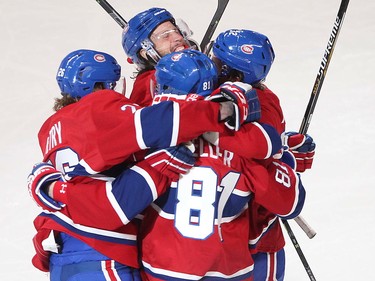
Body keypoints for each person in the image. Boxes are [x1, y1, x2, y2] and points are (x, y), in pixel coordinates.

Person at [28, 48, 251, 280]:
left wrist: (48, 186)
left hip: (61, 250)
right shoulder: (101, 106)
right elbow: (155, 124)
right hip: (104, 249)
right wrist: (221, 109)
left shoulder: (50, 128)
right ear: (100, 87)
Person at [139, 49, 305, 280]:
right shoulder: (242, 149)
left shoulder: (144, 136)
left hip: (162, 268)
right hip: (228, 268)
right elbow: (290, 202)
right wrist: (285, 158)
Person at [210, 28, 316, 281]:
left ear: (230, 71)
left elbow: (260, 153)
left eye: (216, 60)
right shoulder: (245, 96)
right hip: (221, 237)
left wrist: (285, 155)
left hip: (255, 238)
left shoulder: (259, 104)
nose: (210, 63)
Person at [122, 7, 197, 106]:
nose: (178, 37)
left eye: (176, 31)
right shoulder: (148, 86)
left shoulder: (193, 64)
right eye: (165, 36)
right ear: (146, 53)